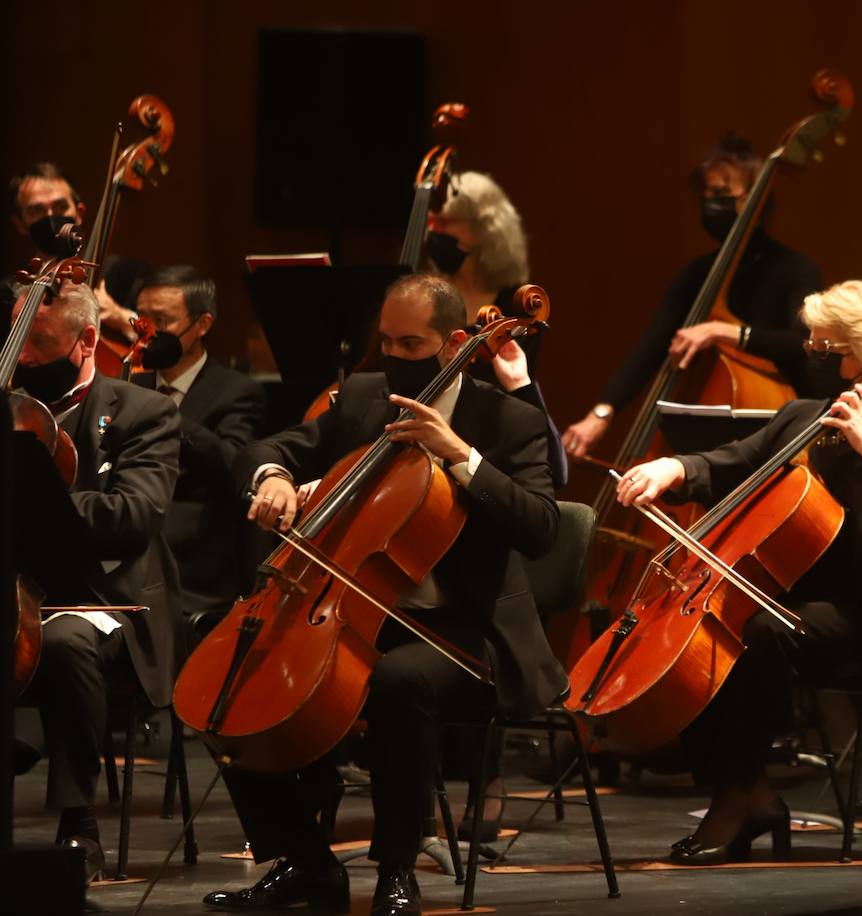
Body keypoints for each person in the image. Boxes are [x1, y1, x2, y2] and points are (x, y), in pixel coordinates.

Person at [203, 273, 563, 916]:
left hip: (461, 633)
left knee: (399, 681)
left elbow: (542, 526)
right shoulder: (368, 396)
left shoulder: (508, 420)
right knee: (228, 667)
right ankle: (307, 862)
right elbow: (276, 444)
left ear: (455, 341)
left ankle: (397, 869)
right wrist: (277, 476)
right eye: (387, 341)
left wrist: (459, 454)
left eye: (410, 342)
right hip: (350, 613)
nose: (395, 356)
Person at [614, 280, 862, 863]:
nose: (814, 361)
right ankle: (744, 792)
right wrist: (671, 466)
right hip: (794, 603)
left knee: (760, 633)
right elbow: (733, 461)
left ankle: (739, 799)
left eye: (830, 352)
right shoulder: (802, 416)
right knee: (717, 632)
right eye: (813, 348)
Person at [9, 280, 181, 883]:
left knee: (61, 643)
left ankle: (78, 823)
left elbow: (135, 516)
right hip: (22, 590)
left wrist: (42, 503)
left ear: (86, 340)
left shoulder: (144, 412)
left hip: (106, 597)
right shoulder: (9, 404)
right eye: (13, 341)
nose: (24, 357)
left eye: (39, 343)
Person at [562, 133, 838, 461]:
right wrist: (601, 414)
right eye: (706, 194)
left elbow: (805, 345)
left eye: (721, 193)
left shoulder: (796, 270)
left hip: (780, 434)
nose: (710, 202)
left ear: (755, 198)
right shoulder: (697, 274)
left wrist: (726, 333)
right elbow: (652, 346)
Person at [129, 265, 266, 626]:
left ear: (202, 324)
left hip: (191, 563)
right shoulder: (129, 384)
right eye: (141, 320)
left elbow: (233, 461)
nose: (149, 332)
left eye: (162, 320)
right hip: (128, 546)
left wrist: (166, 413)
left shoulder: (237, 391)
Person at [425, 170, 566, 486]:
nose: (432, 232)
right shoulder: (427, 295)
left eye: (445, 223)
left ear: (484, 231)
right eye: (431, 223)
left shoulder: (518, 306)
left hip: (487, 442)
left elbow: (515, 400)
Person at [6, 162, 146, 343]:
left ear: (79, 212)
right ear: (19, 223)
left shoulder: (127, 275)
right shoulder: (8, 294)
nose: (50, 216)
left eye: (60, 207)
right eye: (36, 210)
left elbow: (162, 347)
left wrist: (118, 316)